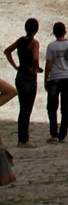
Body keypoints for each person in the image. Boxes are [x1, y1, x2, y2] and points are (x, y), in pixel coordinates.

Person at [4, 18, 40, 147]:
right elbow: (35, 57)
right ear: (36, 30)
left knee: (22, 109)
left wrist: (15, 66)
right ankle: (24, 139)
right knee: (27, 110)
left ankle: (22, 138)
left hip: (20, 76)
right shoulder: (34, 43)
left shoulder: (20, 41)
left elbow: (7, 51)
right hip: (29, 78)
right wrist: (34, 69)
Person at [44, 23, 68, 143]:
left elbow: (48, 65)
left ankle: (54, 133)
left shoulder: (51, 46)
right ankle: (63, 135)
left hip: (55, 78)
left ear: (54, 32)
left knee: (52, 107)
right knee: (66, 107)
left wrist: (46, 79)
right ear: (65, 31)